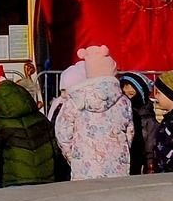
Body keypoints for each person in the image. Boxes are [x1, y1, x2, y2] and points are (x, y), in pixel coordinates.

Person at [49, 47, 136, 181]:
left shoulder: (76, 99)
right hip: (117, 164)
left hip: (84, 164)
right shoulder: (123, 100)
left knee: (87, 194)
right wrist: (122, 150)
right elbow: (129, 131)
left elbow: (62, 131)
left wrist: (72, 155)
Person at [0, 77, 62, 188]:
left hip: (13, 182)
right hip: (46, 180)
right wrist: (61, 179)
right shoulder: (41, 119)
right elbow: (56, 151)